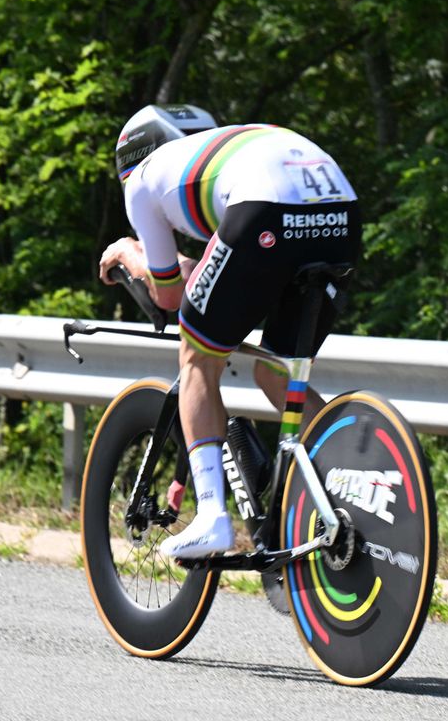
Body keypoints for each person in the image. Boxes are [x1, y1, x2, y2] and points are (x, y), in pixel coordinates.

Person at [97, 104, 360, 559]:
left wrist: (128, 250)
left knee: (197, 355)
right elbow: (213, 269)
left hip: (264, 211)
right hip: (341, 214)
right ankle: (355, 486)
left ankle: (212, 519)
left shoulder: (142, 181)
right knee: (280, 372)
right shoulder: (222, 149)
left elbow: (168, 296)